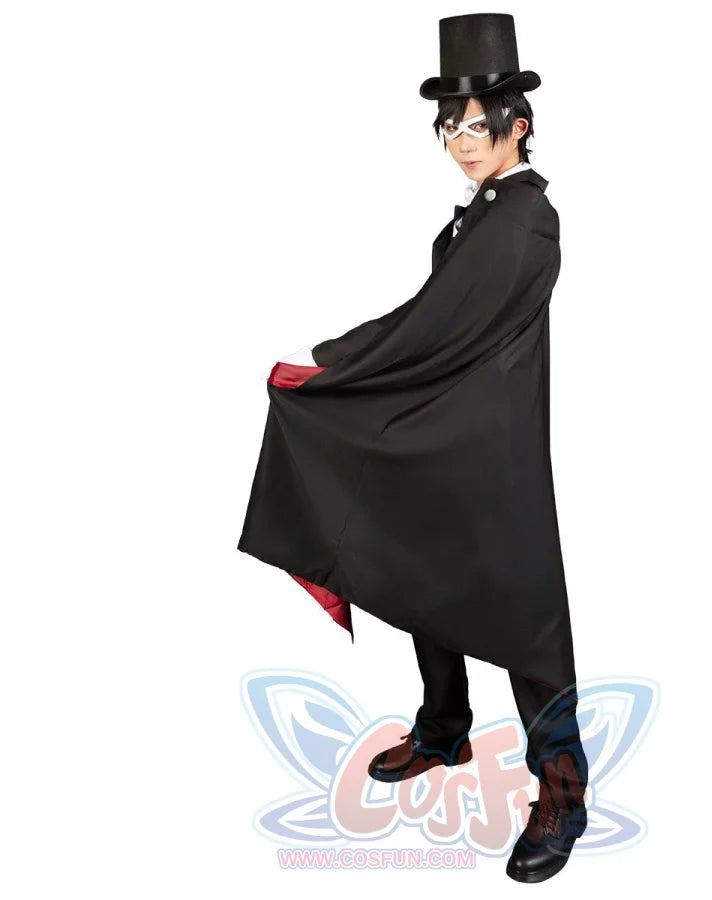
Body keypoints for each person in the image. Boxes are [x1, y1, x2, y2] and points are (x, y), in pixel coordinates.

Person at [238, 13, 589, 883]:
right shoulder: (482, 217)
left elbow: (436, 327)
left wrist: (340, 364)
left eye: (477, 126)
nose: (461, 143)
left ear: (519, 125)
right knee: (422, 571)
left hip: (492, 451)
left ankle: (563, 794)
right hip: (442, 435)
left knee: (527, 620)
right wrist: (337, 362)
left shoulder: (526, 221)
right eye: (449, 127)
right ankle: (444, 728)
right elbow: (430, 318)